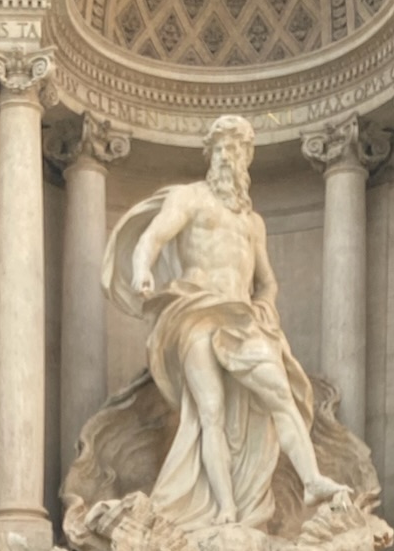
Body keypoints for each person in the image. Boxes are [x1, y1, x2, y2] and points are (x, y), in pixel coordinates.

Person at [104, 116, 350, 530]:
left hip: (241, 319)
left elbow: (267, 281)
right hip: (196, 312)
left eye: (234, 150)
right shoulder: (190, 198)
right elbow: (153, 236)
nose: (225, 157)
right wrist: (142, 268)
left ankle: (311, 481)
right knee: (210, 412)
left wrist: (266, 304)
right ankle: (225, 509)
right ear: (209, 155)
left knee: (281, 396)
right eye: (219, 149)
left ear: (246, 160)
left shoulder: (253, 223)